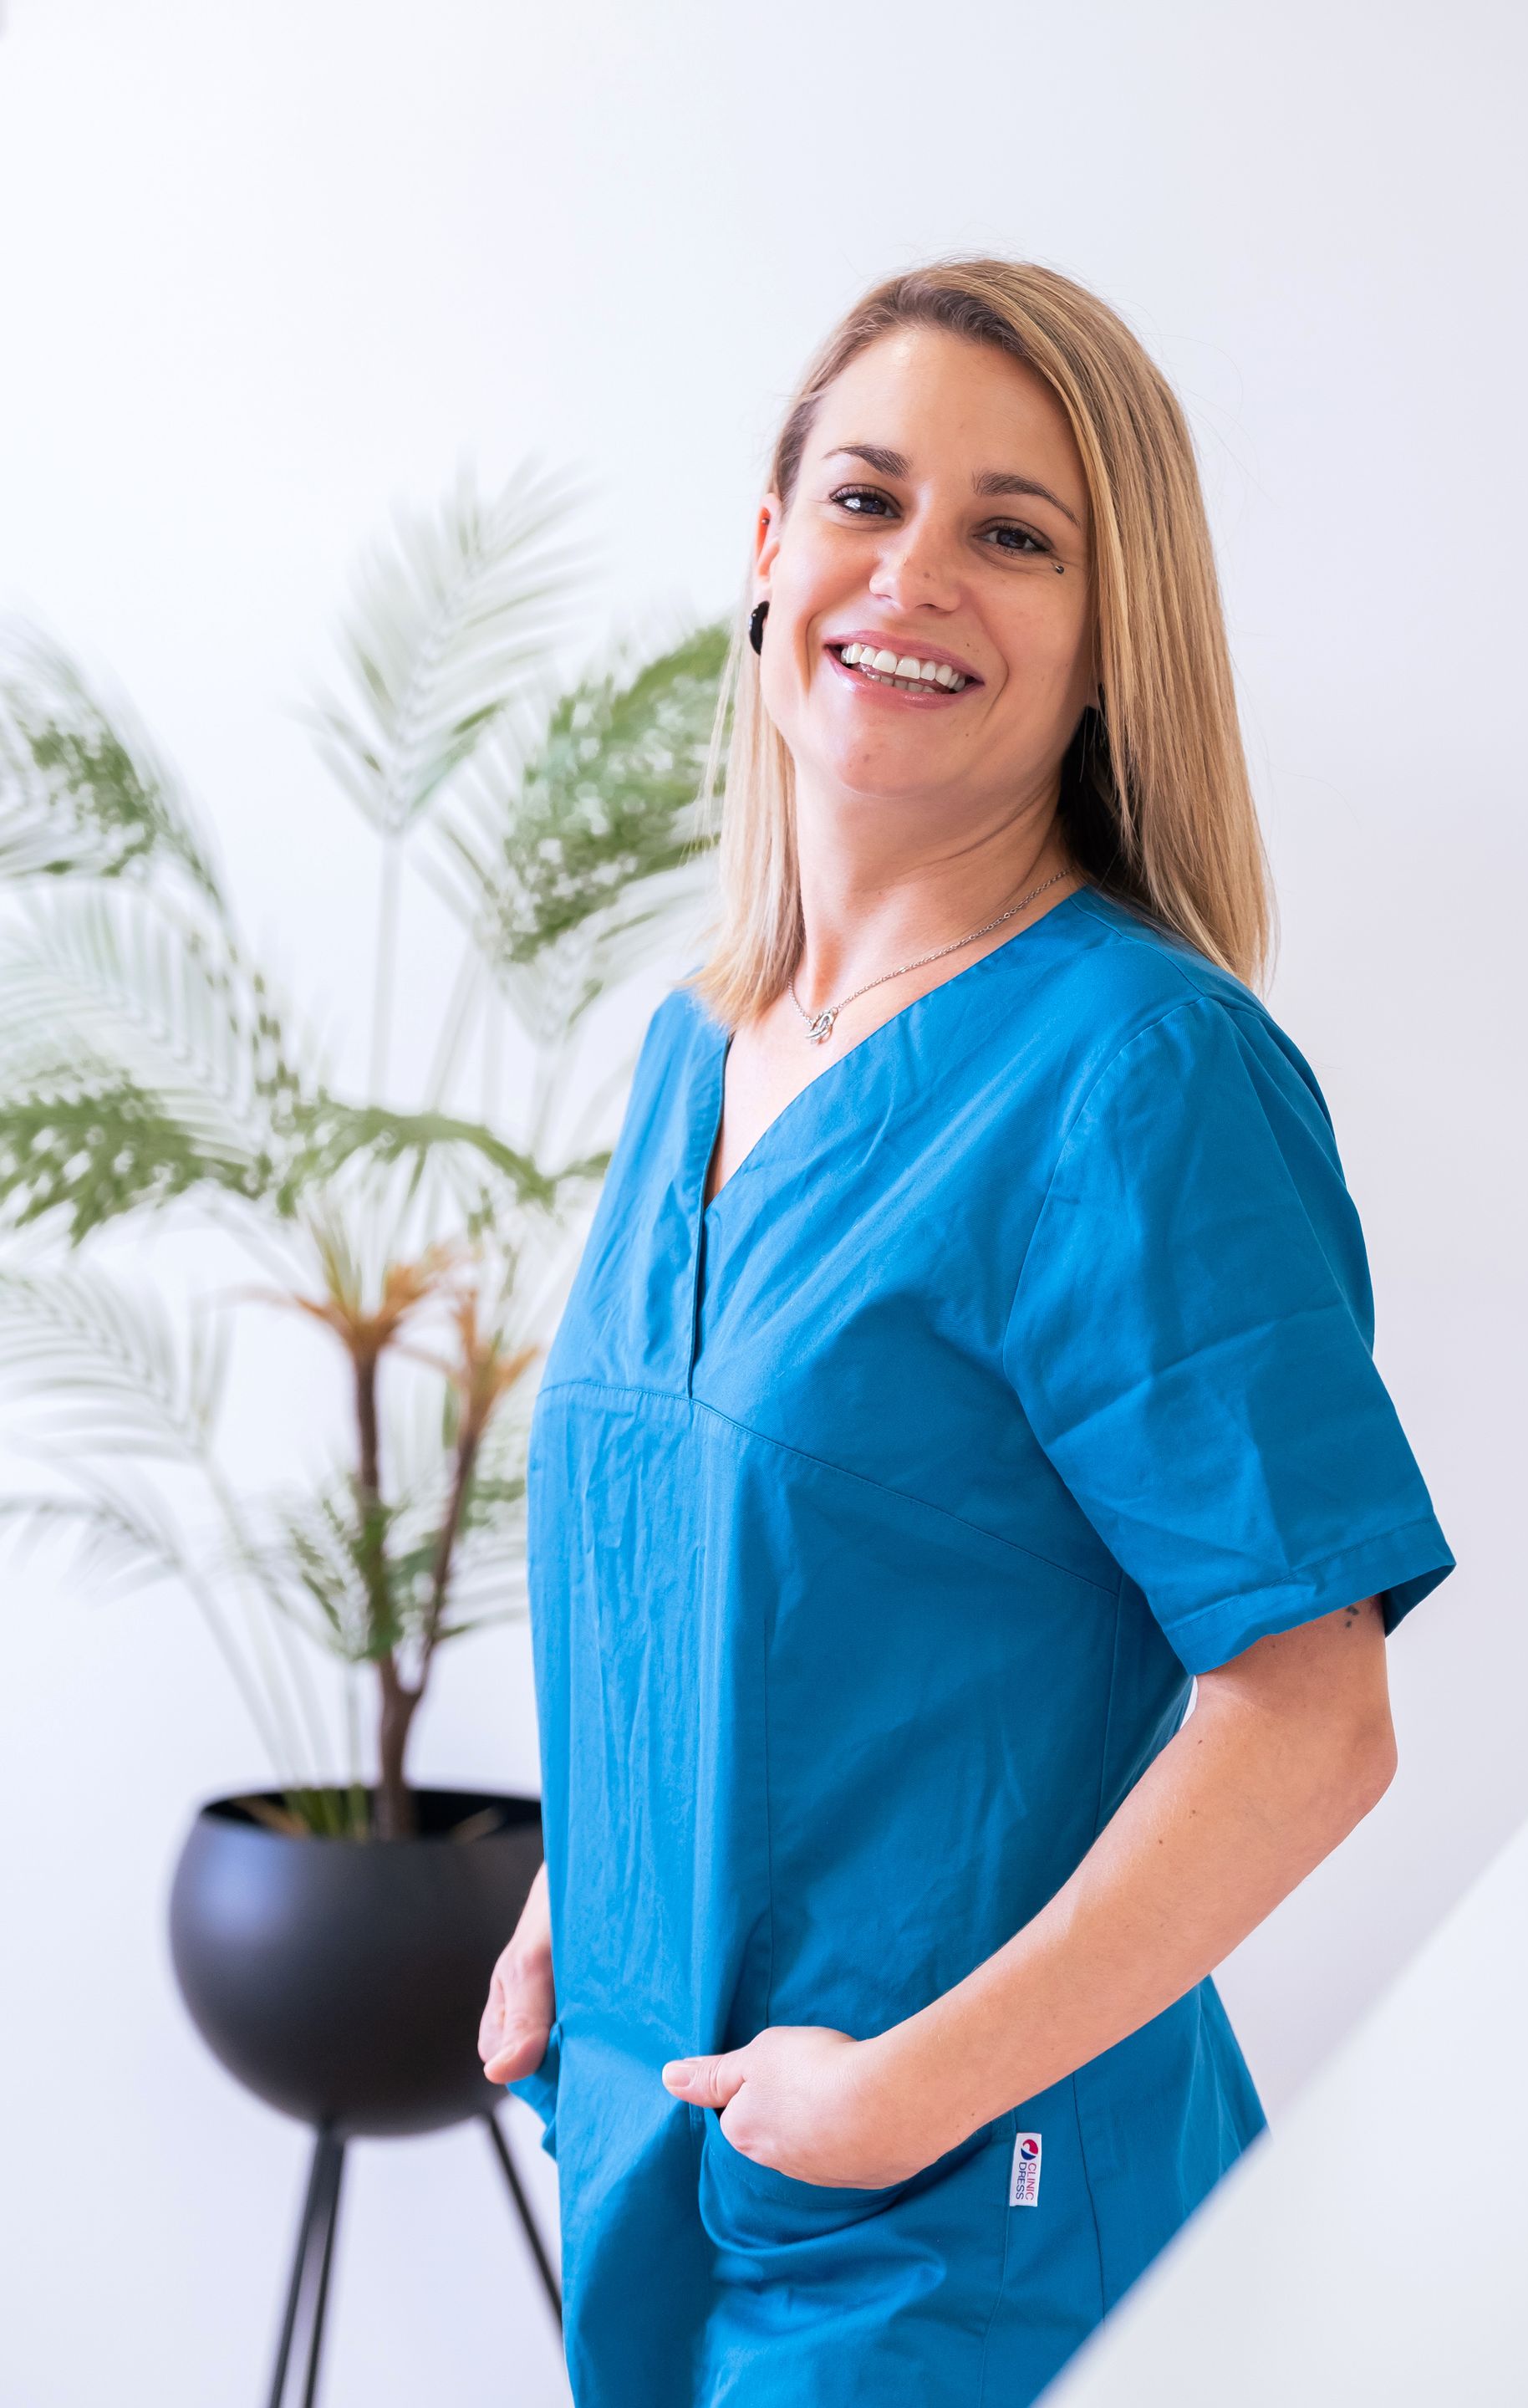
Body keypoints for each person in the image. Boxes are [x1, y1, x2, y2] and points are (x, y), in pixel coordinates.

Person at [476, 256, 1454, 2408]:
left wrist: (903, 2095)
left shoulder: (1139, 1079)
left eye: (1016, 535)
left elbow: (1311, 1719)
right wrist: (583, 1882)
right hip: (673, 2173)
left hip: (960, 2245)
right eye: (866, 496)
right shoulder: (700, 1050)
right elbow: (735, 1569)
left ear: (1112, 644)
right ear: (767, 549)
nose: (913, 572)